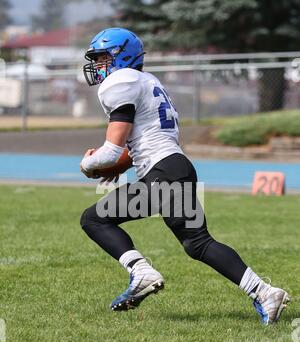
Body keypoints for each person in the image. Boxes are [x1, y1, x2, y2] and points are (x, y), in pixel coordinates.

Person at [80, 27, 289, 324]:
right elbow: (143, 142)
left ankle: (141, 272)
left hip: (163, 173)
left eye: (102, 57)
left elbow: (111, 151)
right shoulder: (149, 82)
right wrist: (121, 166)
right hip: (177, 168)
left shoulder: (121, 80)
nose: (98, 65)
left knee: (94, 219)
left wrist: (88, 164)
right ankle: (265, 292)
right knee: (198, 244)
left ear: (120, 56)